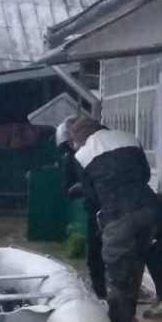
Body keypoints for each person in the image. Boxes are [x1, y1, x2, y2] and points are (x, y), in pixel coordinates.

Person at [69, 116, 157, 322]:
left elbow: (91, 195)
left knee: (117, 275)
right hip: (149, 209)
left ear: (81, 138)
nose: (74, 147)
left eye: (74, 141)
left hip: (119, 216)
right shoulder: (130, 139)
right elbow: (145, 175)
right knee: (136, 265)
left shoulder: (83, 154)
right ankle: (127, 321)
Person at [56, 116, 106, 298]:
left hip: (116, 207)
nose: (74, 145)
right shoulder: (71, 159)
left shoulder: (103, 152)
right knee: (95, 255)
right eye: (71, 142)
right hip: (95, 210)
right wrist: (82, 188)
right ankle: (101, 294)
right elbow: (67, 189)